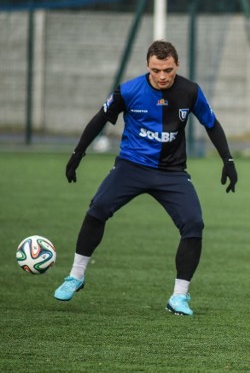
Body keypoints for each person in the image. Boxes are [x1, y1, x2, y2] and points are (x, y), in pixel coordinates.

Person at [54, 40, 238, 315]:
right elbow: (99, 119)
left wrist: (228, 160)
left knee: (193, 224)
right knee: (98, 209)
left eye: (168, 70)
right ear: (147, 67)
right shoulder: (129, 90)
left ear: (177, 65)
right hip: (131, 166)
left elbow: (212, 124)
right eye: (156, 70)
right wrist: (78, 153)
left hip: (172, 173)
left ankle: (179, 297)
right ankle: (76, 276)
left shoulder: (190, 91)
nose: (162, 76)